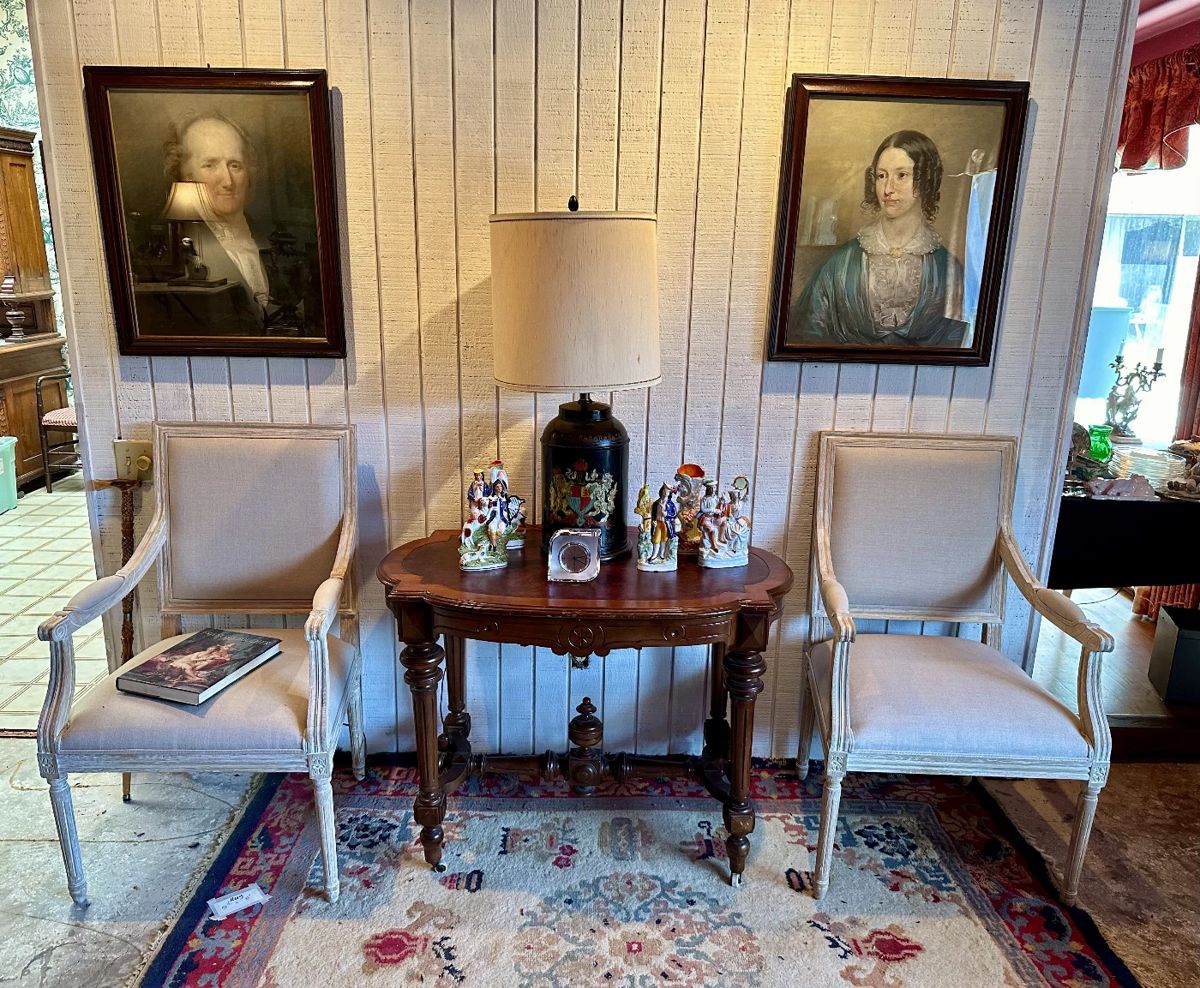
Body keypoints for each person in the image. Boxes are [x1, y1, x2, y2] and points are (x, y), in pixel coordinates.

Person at [789, 130, 966, 347]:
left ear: (925, 181)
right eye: (882, 176)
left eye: (902, 175)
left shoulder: (947, 268)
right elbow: (808, 333)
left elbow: (958, 341)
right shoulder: (841, 263)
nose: (888, 189)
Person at [163, 113, 270, 327]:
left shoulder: (268, 239)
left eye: (235, 165)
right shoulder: (175, 250)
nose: (228, 181)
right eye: (210, 165)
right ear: (186, 175)